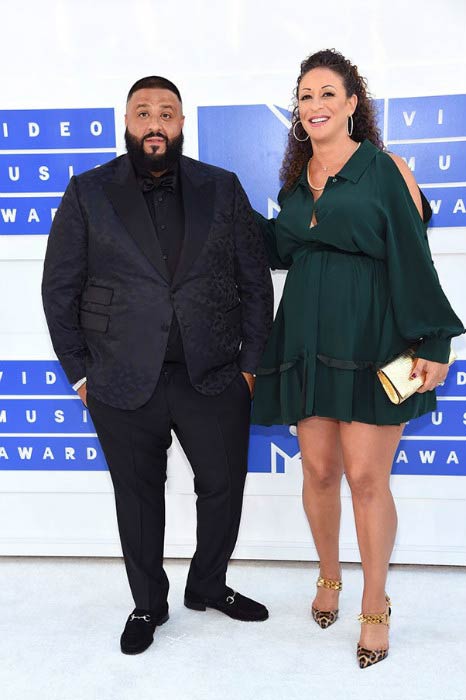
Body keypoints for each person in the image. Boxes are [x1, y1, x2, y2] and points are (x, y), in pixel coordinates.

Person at [42, 76, 273, 655]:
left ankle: (208, 584)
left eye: (166, 112)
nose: (154, 122)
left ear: (181, 124)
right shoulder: (88, 192)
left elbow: (254, 281)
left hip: (215, 376)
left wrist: (249, 367)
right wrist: (80, 374)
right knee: (137, 499)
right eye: (143, 112)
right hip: (120, 380)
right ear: (126, 122)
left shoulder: (222, 188)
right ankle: (148, 604)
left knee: (223, 487)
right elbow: (59, 289)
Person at [251, 49, 464, 668]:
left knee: (368, 479)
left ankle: (375, 604)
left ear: (351, 104)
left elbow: (413, 255)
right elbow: (278, 247)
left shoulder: (384, 168)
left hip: (373, 337)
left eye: (327, 93)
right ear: (297, 111)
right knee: (317, 471)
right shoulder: (296, 185)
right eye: (305, 96)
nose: (315, 105)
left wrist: (435, 341)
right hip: (306, 340)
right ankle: (328, 576)